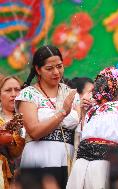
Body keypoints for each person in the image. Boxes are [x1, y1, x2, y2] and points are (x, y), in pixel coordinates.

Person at [15, 45, 80, 189]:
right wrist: (62, 112)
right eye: (49, 68)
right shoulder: (29, 94)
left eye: (59, 66)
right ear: (38, 69)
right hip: (39, 158)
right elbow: (34, 132)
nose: (56, 72)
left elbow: (80, 128)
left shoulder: (71, 94)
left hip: (67, 157)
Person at [0, 75, 25, 189]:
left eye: (17, 89)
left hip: (26, 175)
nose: (14, 94)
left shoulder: (31, 117)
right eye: (8, 90)